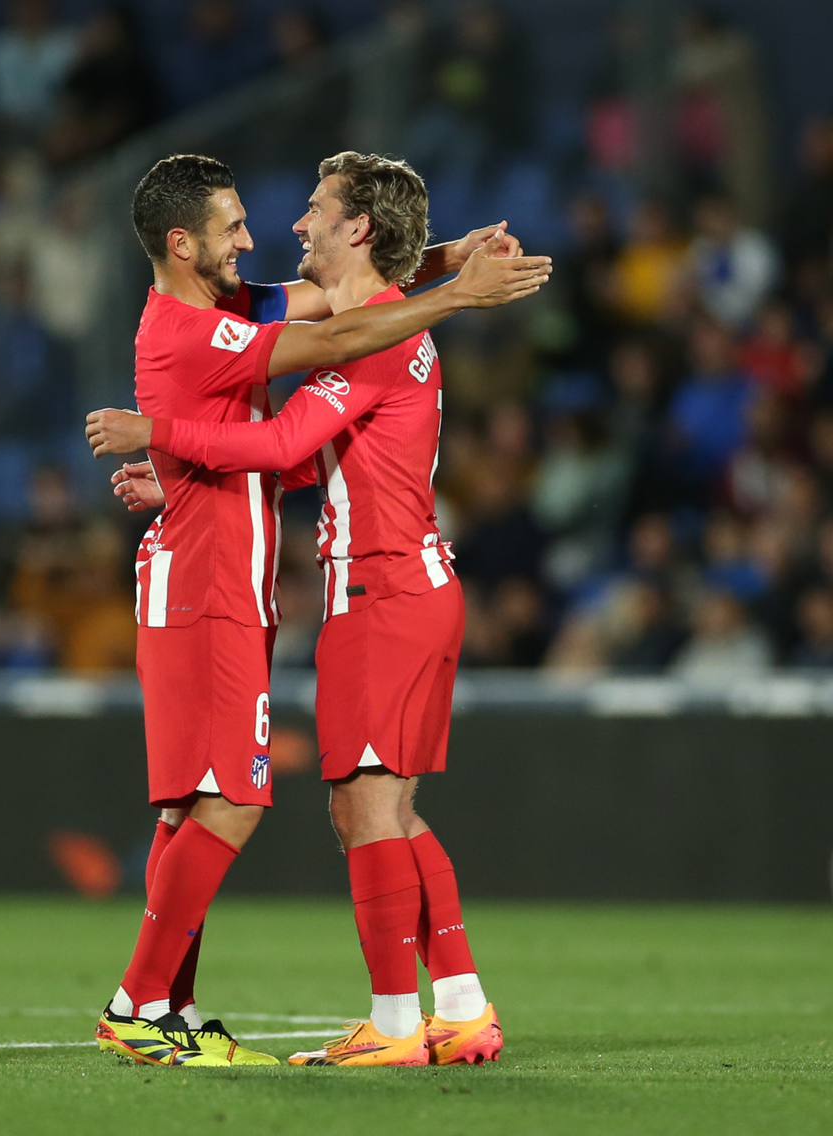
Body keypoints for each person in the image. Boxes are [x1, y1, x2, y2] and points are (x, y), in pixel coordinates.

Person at [90, 153, 549, 1069]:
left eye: (311, 211)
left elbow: (295, 426)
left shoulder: (369, 332)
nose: (279, 231)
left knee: (350, 808)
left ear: (356, 228)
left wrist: (163, 437)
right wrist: (181, 468)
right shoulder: (221, 319)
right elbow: (309, 426)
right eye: (237, 225)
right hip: (353, 583)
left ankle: (385, 1022)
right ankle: (454, 1008)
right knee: (360, 809)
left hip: (377, 589)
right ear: (184, 244)